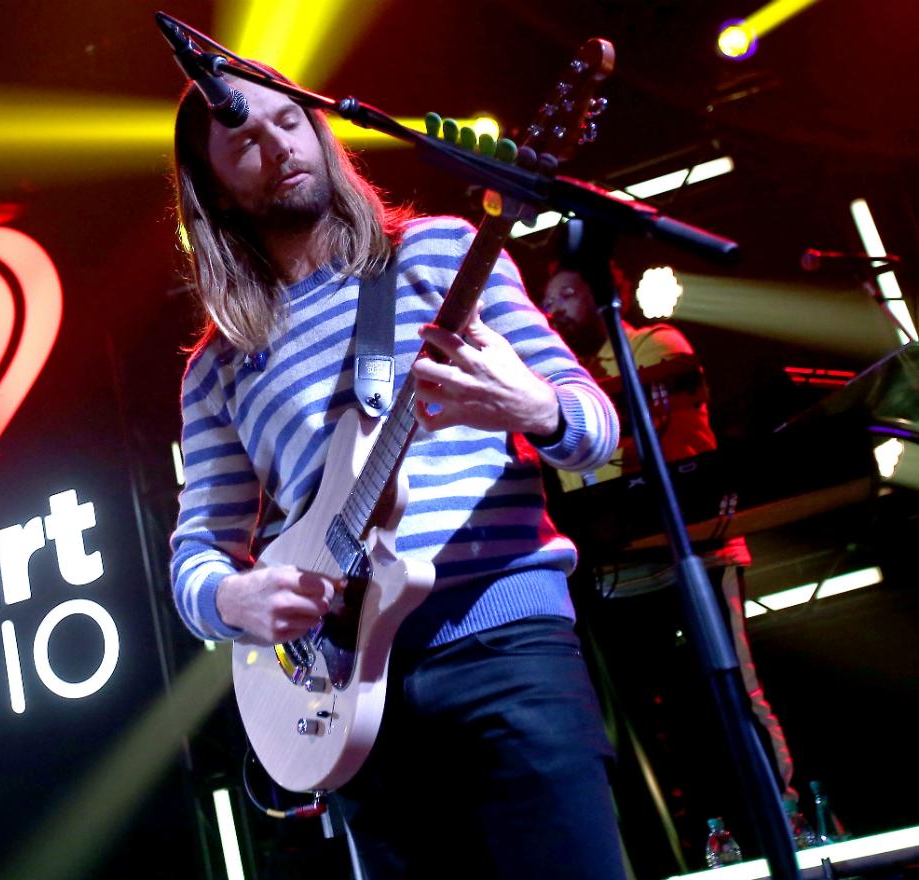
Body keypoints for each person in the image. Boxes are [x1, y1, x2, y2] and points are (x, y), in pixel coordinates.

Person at [167, 68, 626, 878]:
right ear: (218, 193)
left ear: (324, 134)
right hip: (345, 699)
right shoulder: (217, 369)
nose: (275, 144)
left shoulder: (444, 250)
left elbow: (595, 428)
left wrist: (533, 407)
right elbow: (196, 551)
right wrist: (234, 598)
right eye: (244, 140)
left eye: (288, 120)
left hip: (507, 649)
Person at [540, 259, 796, 863]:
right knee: (666, 720)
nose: (556, 309)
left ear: (606, 294)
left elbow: (677, 446)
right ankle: (709, 843)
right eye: (548, 298)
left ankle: (784, 822)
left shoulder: (654, 345)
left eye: (569, 294)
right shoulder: (555, 369)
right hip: (618, 572)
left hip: (696, 550)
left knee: (734, 695)